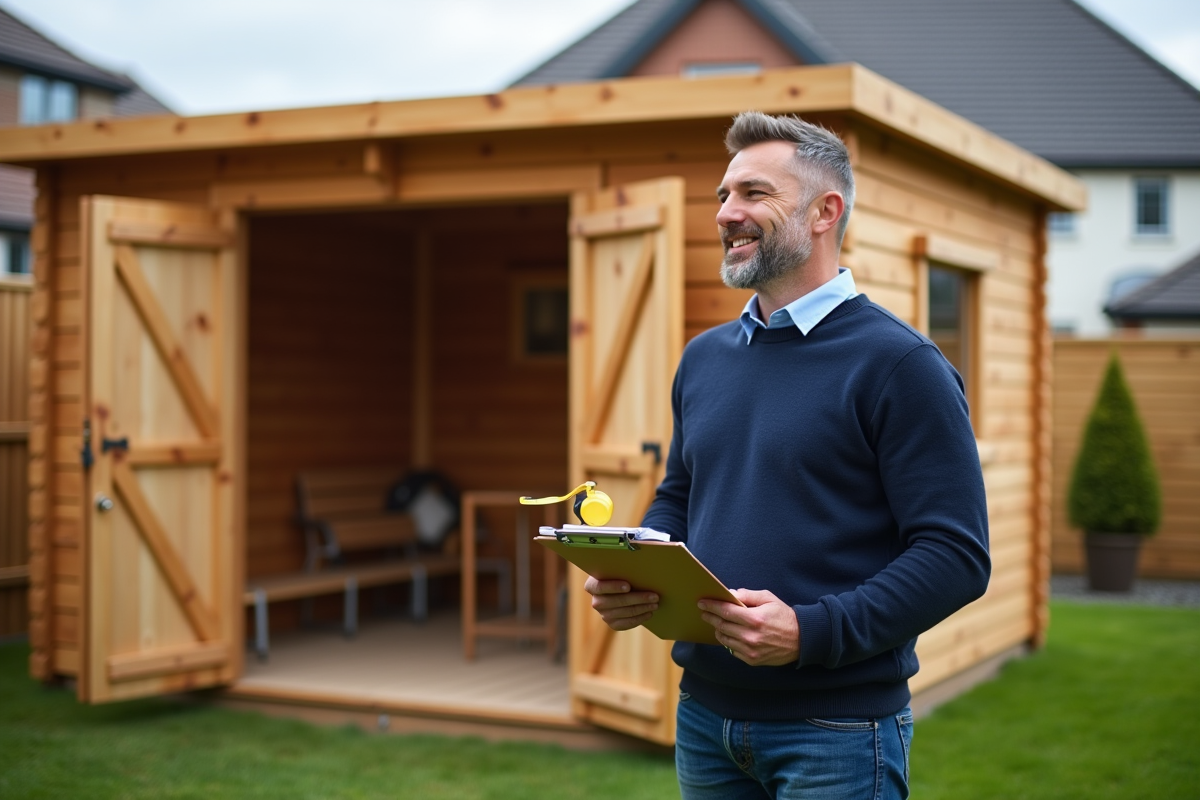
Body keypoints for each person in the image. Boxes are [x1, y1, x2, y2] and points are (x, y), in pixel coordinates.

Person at [584, 112, 991, 799]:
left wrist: (810, 630)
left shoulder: (900, 365)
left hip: (836, 729)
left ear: (825, 211)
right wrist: (640, 569)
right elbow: (683, 491)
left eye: (752, 194)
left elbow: (955, 556)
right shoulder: (705, 357)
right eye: (722, 196)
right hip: (705, 716)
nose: (726, 214)